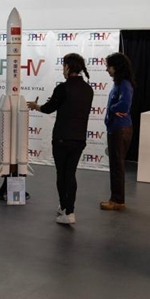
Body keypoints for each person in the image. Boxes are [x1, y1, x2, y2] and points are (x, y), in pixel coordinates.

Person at [27, 53, 93, 224]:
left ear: (68, 67)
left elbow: (48, 108)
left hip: (62, 137)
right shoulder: (88, 89)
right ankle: (65, 207)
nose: (63, 70)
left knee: (62, 174)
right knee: (70, 174)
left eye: (64, 66)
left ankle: (68, 211)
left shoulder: (63, 88)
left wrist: (35, 106)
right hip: (79, 138)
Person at [101, 52, 135, 211]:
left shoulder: (124, 84)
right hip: (116, 128)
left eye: (109, 66)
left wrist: (112, 109)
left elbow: (124, 105)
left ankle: (117, 200)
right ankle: (115, 198)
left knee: (117, 166)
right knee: (116, 165)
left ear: (116, 67)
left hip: (120, 129)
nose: (107, 69)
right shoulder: (119, 84)